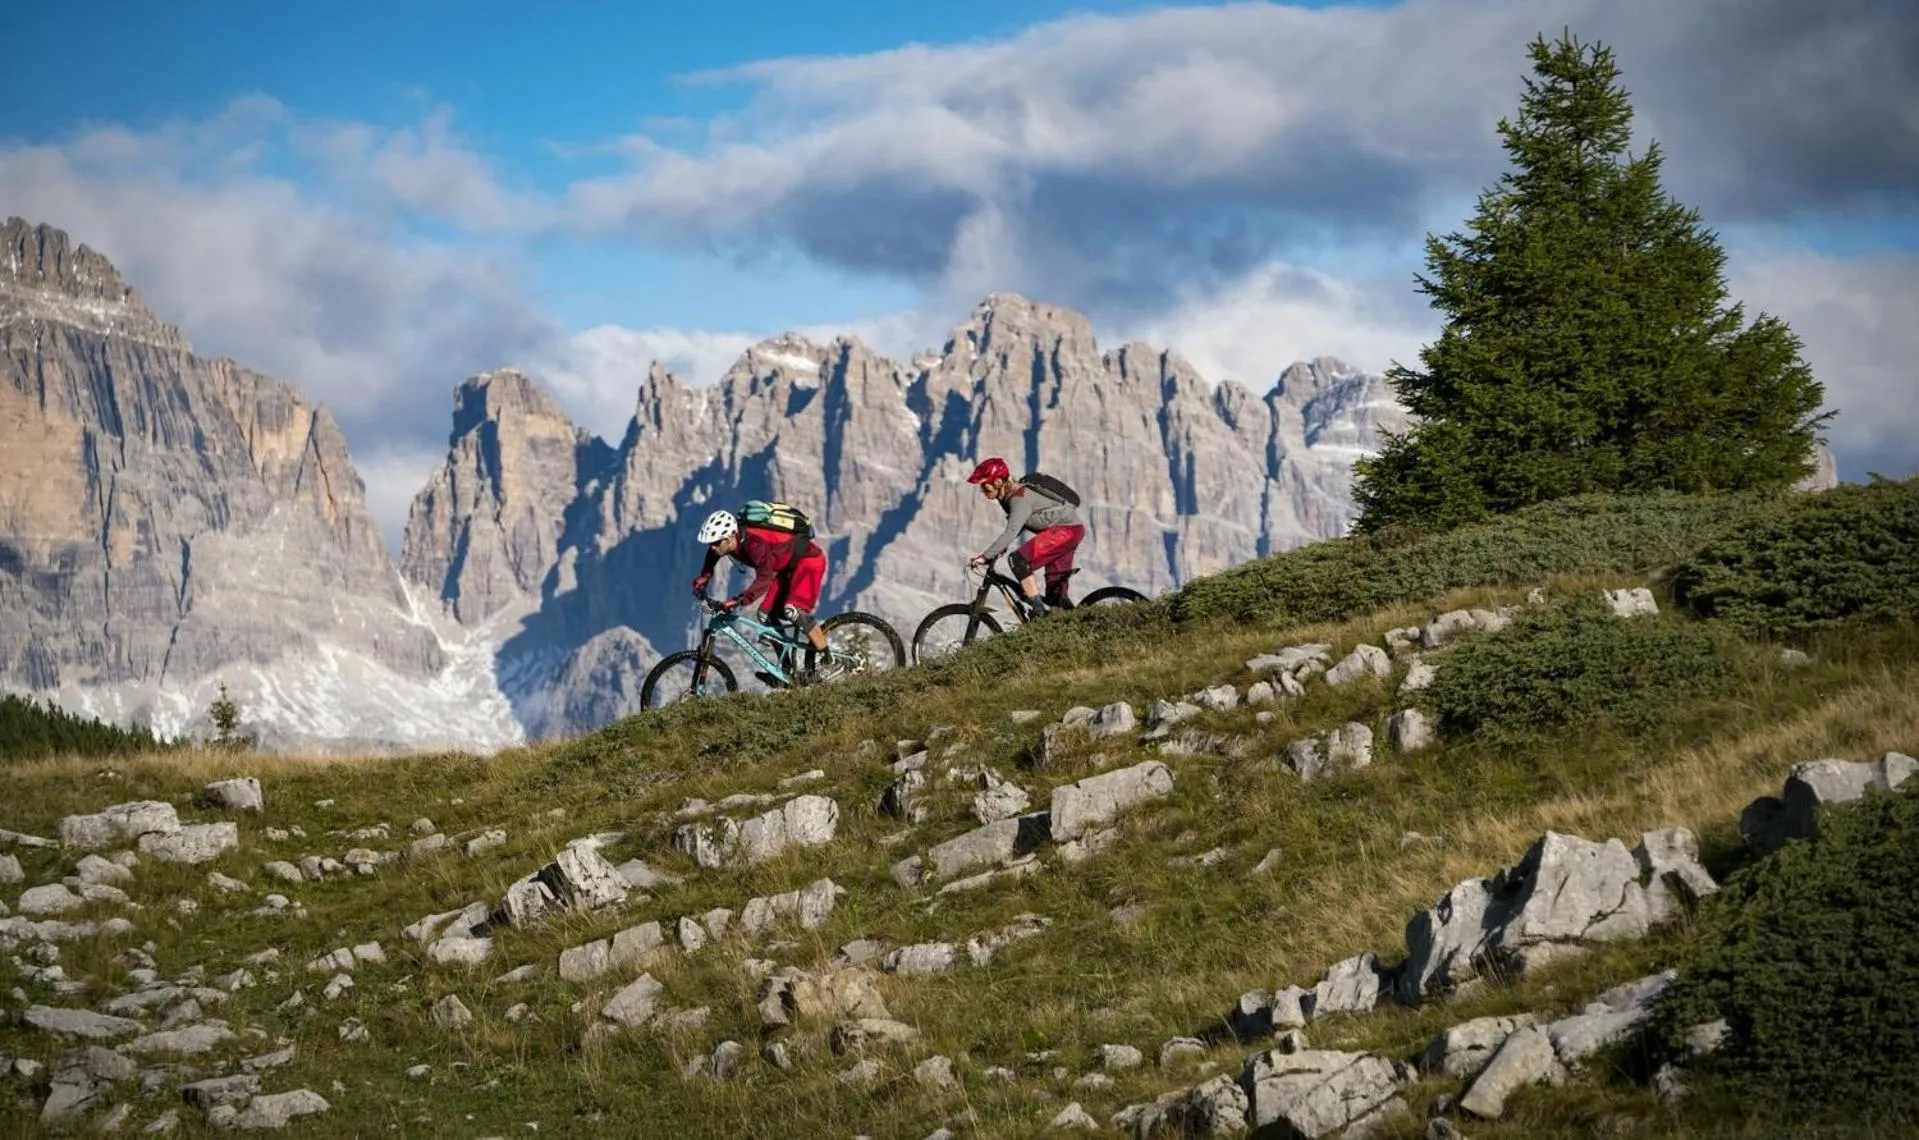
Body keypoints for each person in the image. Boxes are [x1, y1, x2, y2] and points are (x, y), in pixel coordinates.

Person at [692, 508, 834, 678]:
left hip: (809, 563)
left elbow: (765, 578)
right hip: (786, 567)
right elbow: (712, 556)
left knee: (792, 609)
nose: (713, 547)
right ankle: (786, 671)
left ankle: (828, 659)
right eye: (710, 543)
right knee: (764, 615)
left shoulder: (754, 544)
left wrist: (740, 600)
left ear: (730, 537)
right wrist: (704, 577)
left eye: (716, 542)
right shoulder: (728, 542)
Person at [966, 457, 1085, 615]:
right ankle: (1078, 627)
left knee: (1018, 561)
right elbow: (1018, 525)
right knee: (1056, 599)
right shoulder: (1010, 497)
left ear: (998, 482)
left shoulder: (1018, 498)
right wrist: (1001, 548)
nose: (984, 492)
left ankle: (1038, 611)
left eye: (986, 486)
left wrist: (985, 556)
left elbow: (1011, 531)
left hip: (1065, 532)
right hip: (1071, 531)